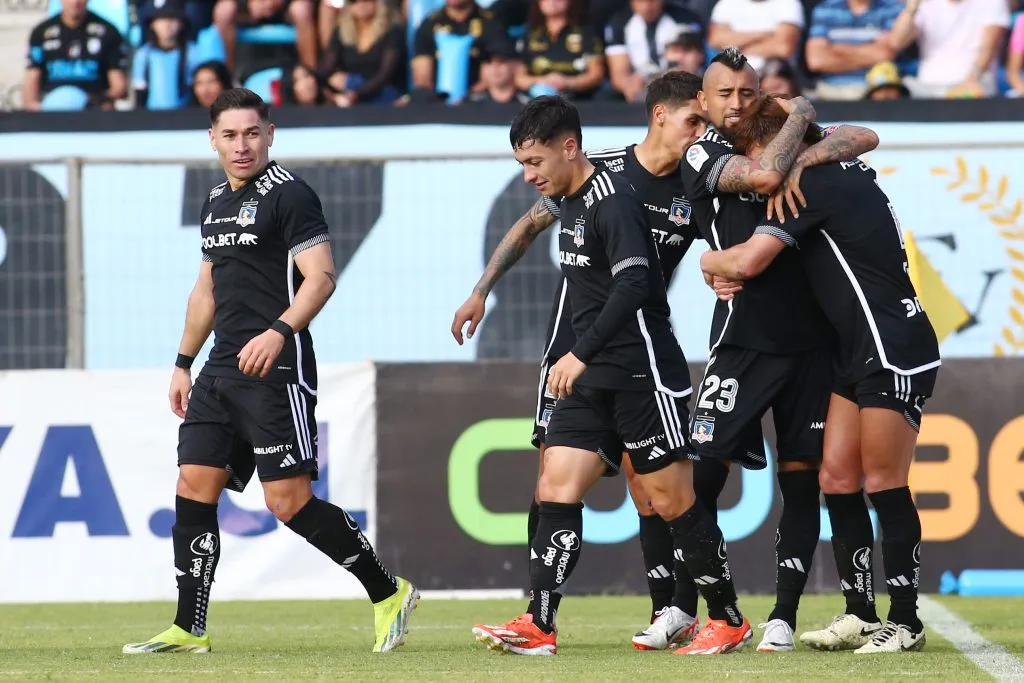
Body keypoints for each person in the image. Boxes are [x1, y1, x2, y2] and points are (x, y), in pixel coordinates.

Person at [122, 88, 417, 655]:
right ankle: (190, 627)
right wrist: (184, 362)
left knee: (287, 503)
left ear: (270, 134)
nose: (241, 146)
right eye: (229, 135)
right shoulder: (213, 202)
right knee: (193, 485)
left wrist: (278, 331)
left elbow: (321, 277)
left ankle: (388, 591)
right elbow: (206, 289)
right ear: (212, 138)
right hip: (218, 372)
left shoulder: (290, 195)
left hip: (277, 369)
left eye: (251, 133)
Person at [457, 94, 753, 657]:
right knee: (554, 486)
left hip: (641, 373)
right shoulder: (568, 198)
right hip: (587, 376)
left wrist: (582, 353)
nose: (528, 176)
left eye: (535, 162)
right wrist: (482, 293)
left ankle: (728, 617)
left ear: (570, 148)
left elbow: (636, 286)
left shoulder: (613, 204)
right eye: (523, 164)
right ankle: (540, 623)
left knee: (671, 502)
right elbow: (543, 246)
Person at [699, 94, 941, 654]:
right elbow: (863, 136)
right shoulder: (829, 162)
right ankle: (860, 612)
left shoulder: (814, 184)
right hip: (850, 350)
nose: (761, 173)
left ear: (780, 148)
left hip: (890, 343)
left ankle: (905, 621)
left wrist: (708, 263)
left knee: (884, 482)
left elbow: (747, 262)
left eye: (761, 158)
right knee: (835, 479)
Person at [678, 47, 879, 653]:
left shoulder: (786, 134)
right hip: (742, 341)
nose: (737, 104)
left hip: (814, 343)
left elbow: (866, 134)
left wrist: (804, 153)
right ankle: (707, 610)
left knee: (804, 482)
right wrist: (711, 264)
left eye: (747, 92)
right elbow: (764, 176)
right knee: (699, 479)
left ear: (760, 93)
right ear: (703, 102)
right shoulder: (703, 150)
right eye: (724, 95)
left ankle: (785, 616)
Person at [23, 0, 128, 111]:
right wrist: (33, 109)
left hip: (93, 111)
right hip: (52, 109)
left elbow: (119, 85)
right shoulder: (42, 32)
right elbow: (32, 76)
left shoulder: (108, 32)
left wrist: (99, 100)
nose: (75, 2)